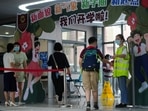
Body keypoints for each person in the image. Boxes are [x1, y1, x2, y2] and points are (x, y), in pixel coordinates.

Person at [79, 36, 110, 110]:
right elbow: (103, 60)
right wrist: (110, 63)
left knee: (87, 88)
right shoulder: (97, 51)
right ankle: (95, 104)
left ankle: (88, 104)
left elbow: (80, 61)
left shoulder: (84, 50)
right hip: (94, 71)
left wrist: (82, 68)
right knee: (94, 88)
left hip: (85, 71)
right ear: (95, 42)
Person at [23, 34, 43, 101]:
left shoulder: (38, 53)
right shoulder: (34, 50)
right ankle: (27, 89)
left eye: (39, 46)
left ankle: (31, 84)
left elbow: (38, 60)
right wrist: (32, 38)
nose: (38, 47)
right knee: (30, 77)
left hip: (36, 65)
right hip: (32, 64)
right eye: (37, 46)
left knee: (39, 76)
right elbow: (33, 47)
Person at [113, 34, 129, 108]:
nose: (117, 40)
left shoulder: (124, 48)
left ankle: (124, 102)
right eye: (116, 39)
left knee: (123, 88)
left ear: (122, 40)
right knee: (121, 88)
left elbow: (124, 55)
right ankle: (122, 101)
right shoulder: (118, 49)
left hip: (122, 72)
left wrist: (116, 56)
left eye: (118, 39)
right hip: (118, 72)